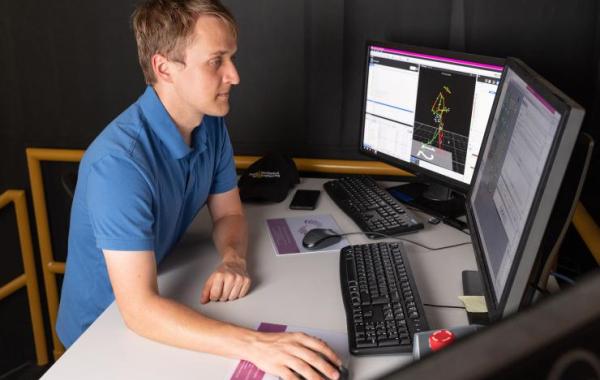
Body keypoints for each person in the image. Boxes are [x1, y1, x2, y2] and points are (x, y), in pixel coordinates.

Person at [55, 1, 342, 378]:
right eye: (216, 61)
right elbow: (139, 311)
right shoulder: (118, 164)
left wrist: (233, 259)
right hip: (99, 340)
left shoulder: (210, 124)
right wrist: (257, 345)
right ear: (164, 68)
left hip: (159, 299)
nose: (234, 75)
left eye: (232, 58)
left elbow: (229, 214)